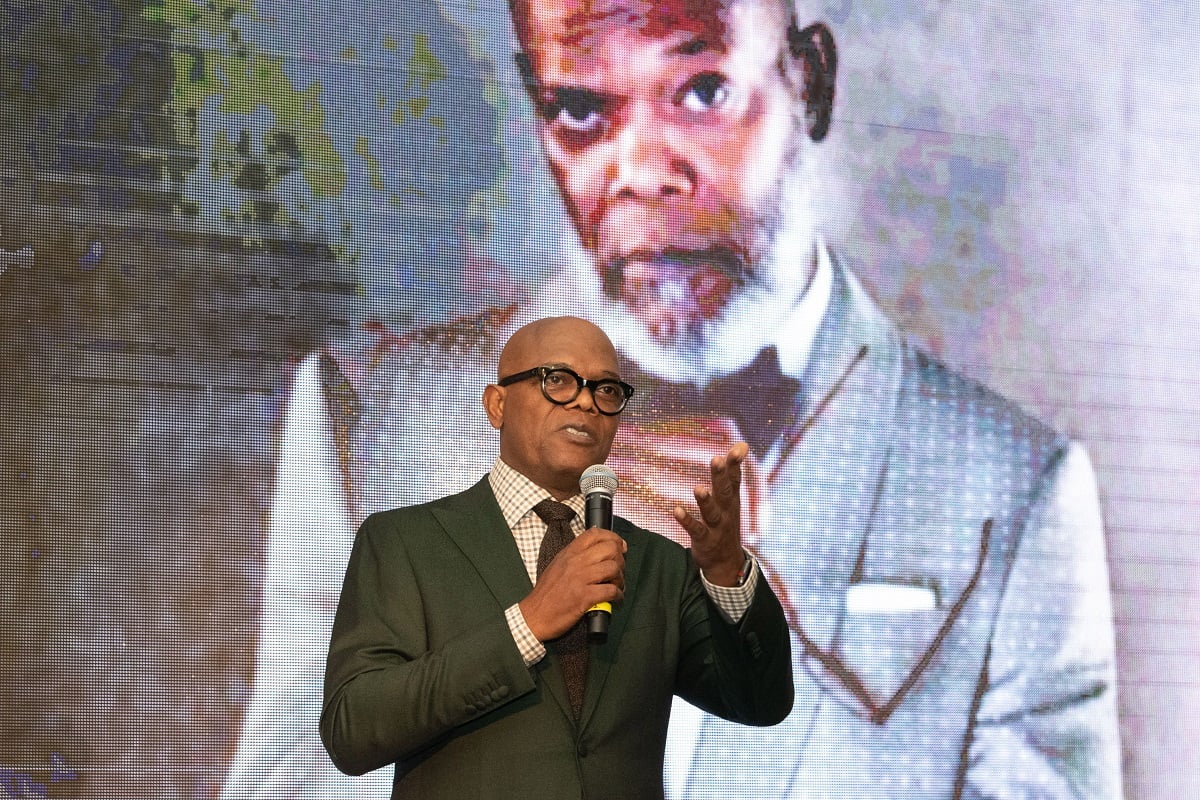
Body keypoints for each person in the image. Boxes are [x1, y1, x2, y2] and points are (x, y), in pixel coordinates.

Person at [221, 0, 1122, 797]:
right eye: (580, 110)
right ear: (536, 106)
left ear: (808, 81)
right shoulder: (366, 422)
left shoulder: (1015, 488)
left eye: (699, 91)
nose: (643, 171)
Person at [317, 315, 792, 798]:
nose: (587, 401)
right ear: (497, 404)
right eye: (559, 380)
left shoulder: (659, 563)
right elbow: (353, 729)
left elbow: (760, 702)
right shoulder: (404, 541)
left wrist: (727, 574)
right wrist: (527, 623)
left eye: (606, 390)